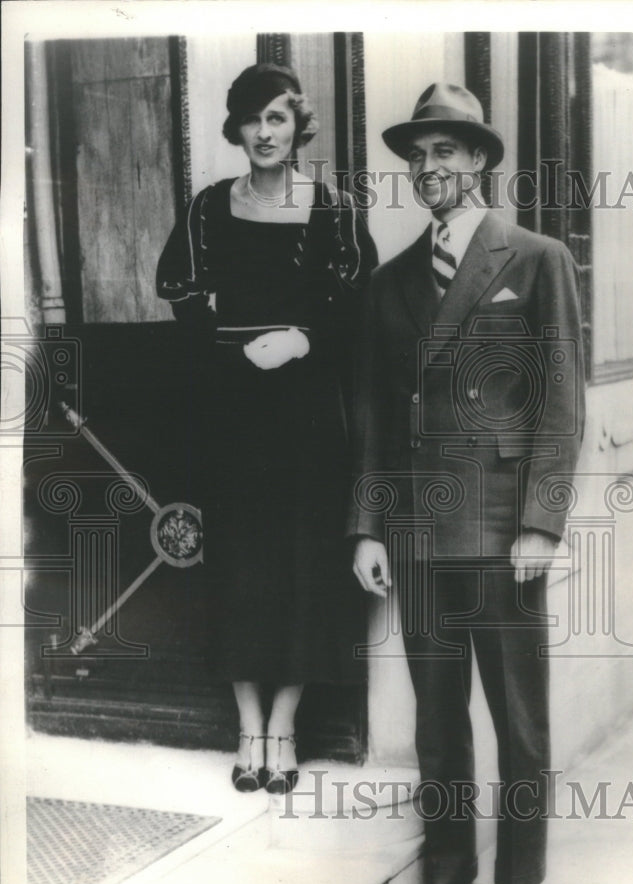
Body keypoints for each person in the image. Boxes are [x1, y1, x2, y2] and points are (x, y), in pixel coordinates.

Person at [349, 83, 585, 884]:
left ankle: (517, 879)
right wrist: (370, 524)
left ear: (479, 159)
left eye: (445, 151)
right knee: (438, 716)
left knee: (519, 717)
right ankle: (447, 871)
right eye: (417, 155)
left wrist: (540, 521)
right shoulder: (390, 282)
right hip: (416, 533)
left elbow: (560, 402)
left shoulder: (534, 258)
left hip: (498, 530)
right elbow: (376, 415)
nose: (427, 167)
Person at [157, 63, 377, 795]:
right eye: (252, 118)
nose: (264, 132)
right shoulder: (210, 208)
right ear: (237, 126)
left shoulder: (334, 210)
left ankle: (284, 726)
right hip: (232, 412)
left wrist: (304, 339)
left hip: (308, 416)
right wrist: (225, 336)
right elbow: (176, 286)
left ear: (297, 125)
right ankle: (247, 727)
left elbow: (358, 304)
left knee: (303, 568)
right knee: (241, 567)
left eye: (278, 118)